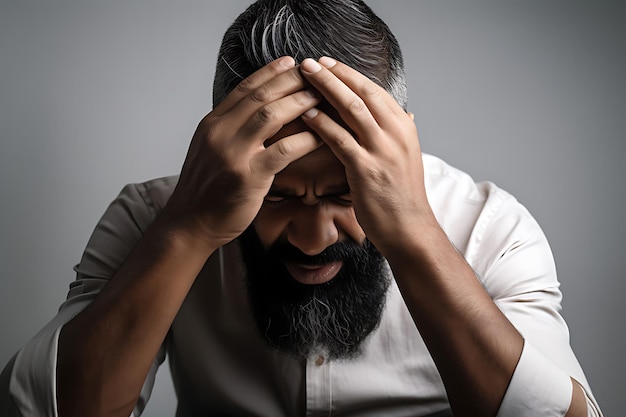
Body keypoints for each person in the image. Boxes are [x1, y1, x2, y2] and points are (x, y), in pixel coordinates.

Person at [0, 0, 603, 416]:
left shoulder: (491, 230)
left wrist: (413, 230)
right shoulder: (152, 220)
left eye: (348, 194)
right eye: (277, 195)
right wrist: (188, 228)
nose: (314, 239)